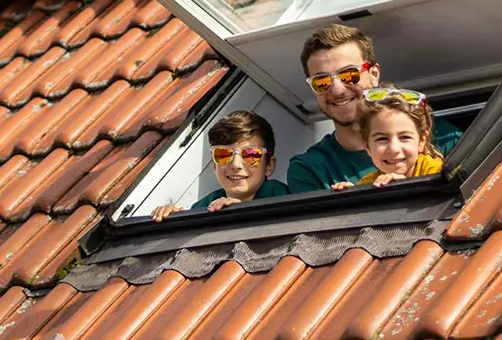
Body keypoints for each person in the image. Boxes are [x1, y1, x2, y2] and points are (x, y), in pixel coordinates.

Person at [286, 24, 462, 193]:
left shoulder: (447, 140)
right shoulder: (308, 169)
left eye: (349, 74)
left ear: (374, 74)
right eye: (321, 81)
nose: (337, 90)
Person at [150, 110, 289, 221]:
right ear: (214, 165)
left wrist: (242, 213)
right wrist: (174, 220)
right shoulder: (204, 207)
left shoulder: (283, 197)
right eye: (223, 154)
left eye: (251, 155)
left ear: (269, 165)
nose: (236, 165)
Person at [330, 88, 444, 190]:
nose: (393, 149)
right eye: (382, 139)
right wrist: (351, 196)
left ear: (421, 141)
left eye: (404, 137)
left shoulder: (437, 172)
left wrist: (404, 187)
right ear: (367, 146)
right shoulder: (368, 183)